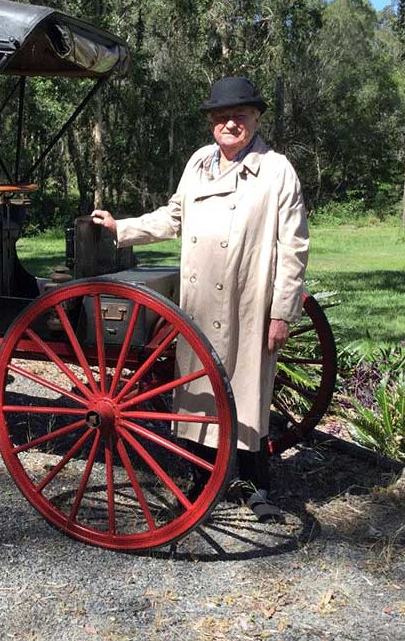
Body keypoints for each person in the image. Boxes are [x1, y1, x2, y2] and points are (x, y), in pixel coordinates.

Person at [91, 76, 309, 522]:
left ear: (255, 120)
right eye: (222, 117)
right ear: (212, 123)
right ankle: (197, 478)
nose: (231, 124)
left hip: (248, 302)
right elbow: (173, 217)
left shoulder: (277, 170)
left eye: (240, 116)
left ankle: (254, 483)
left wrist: (282, 313)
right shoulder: (198, 164)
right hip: (198, 305)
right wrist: (122, 227)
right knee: (195, 390)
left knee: (247, 393)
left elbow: (295, 247)